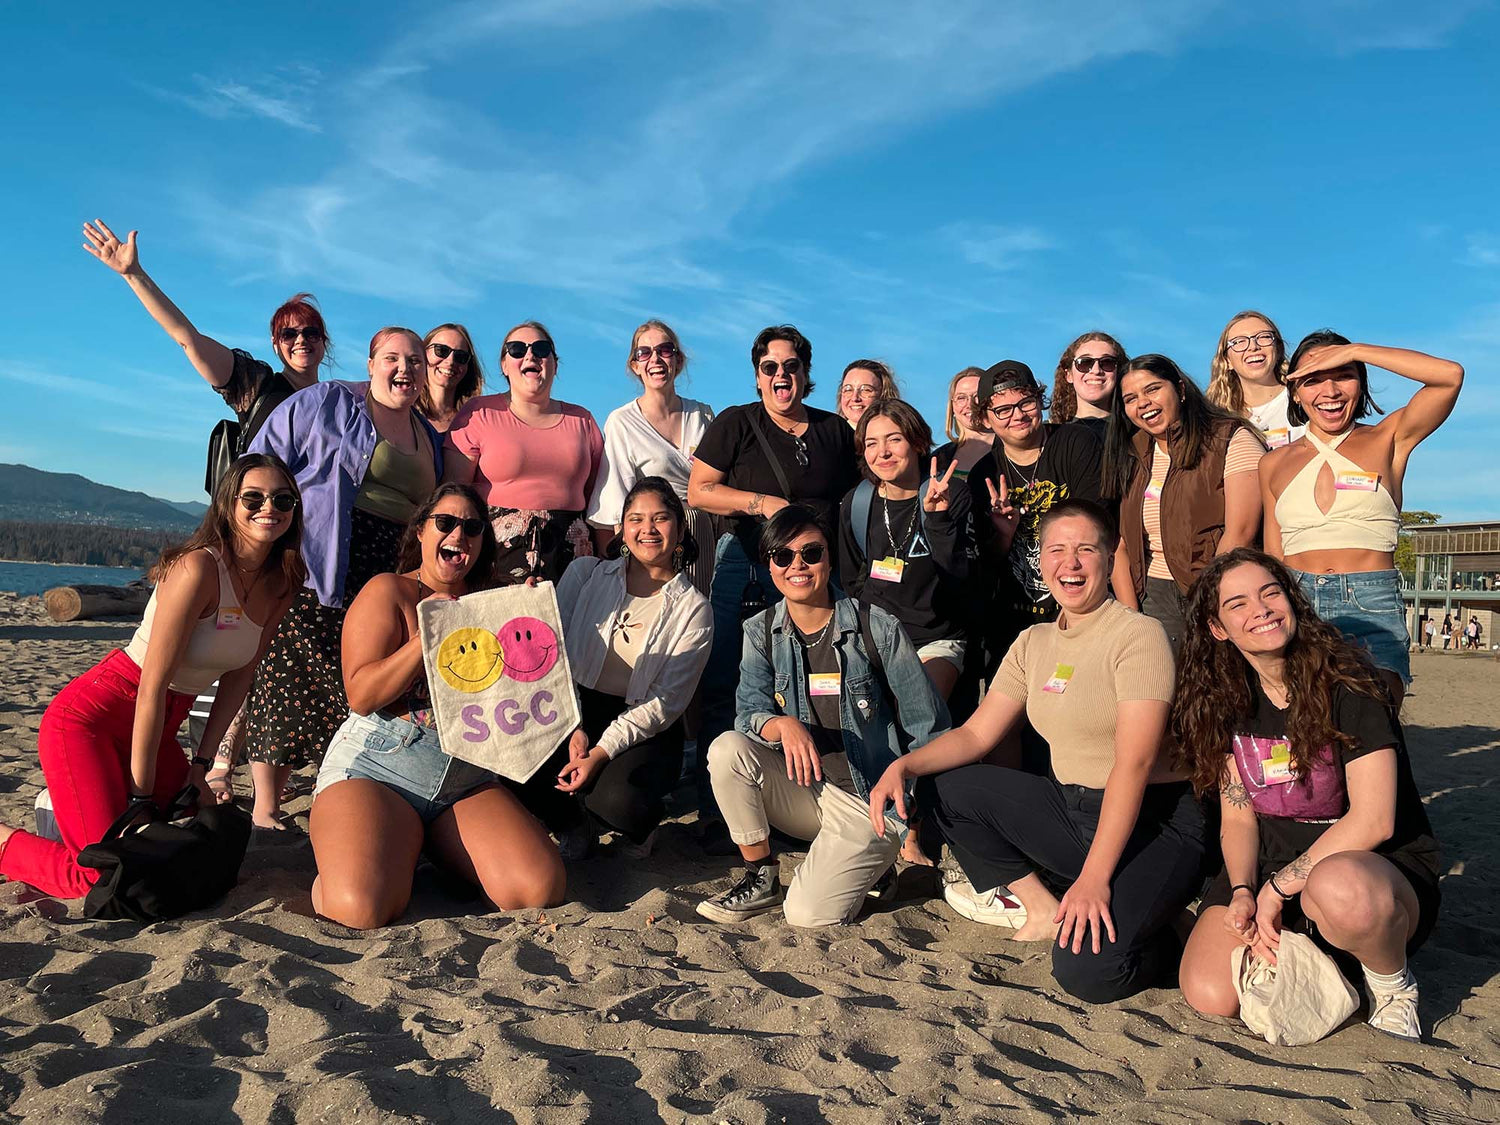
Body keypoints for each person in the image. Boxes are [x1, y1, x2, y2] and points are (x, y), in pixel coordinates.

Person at [868, 499, 1205, 1003]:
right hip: (1073, 808)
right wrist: (904, 765)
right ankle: (1042, 907)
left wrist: (1094, 880)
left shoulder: (1139, 635)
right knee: (947, 785)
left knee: (1087, 974)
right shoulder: (1034, 641)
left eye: (1085, 550)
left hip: (1153, 821)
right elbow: (977, 736)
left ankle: (1176, 929)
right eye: (1056, 550)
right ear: (1040, 558)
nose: (1070, 564)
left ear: (1110, 557)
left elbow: (1133, 766)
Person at [0, 456, 303, 897]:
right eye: (253, 498)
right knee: (101, 875)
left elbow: (242, 675)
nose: (268, 508)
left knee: (181, 839)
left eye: (283, 499)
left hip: (158, 729)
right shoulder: (199, 568)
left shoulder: (282, 580)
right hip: (93, 718)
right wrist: (141, 798)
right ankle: (7, 843)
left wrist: (201, 765)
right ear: (228, 505)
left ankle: (69, 806)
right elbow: (152, 687)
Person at [1175, 549, 1441, 1040]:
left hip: (1369, 868)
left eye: (1270, 592)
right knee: (1211, 993)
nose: (1261, 609)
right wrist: (1242, 891)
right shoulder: (1226, 700)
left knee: (1340, 891)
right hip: (1274, 864)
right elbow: (1238, 818)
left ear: (1291, 599)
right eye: (1238, 604)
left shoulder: (1349, 682)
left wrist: (1276, 891)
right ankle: (1326, 958)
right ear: (1217, 628)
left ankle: (1392, 983)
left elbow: (1375, 821)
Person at [310, 483, 565, 929]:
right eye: (445, 523)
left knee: (537, 889)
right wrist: (427, 635)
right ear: (422, 532)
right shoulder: (389, 590)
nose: (458, 535)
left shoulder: (490, 602)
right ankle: (362, 856)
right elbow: (362, 695)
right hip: (381, 767)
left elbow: (521, 694)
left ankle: (422, 849)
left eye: (472, 527)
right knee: (358, 908)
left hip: (464, 778)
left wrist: (524, 619)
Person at [695, 506, 949, 926]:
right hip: (808, 792)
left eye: (810, 553)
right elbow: (747, 713)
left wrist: (910, 820)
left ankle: (874, 860)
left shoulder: (877, 627)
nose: (797, 565)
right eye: (782, 556)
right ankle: (762, 875)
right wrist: (782, 724)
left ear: (829, 559)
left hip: (870, 801)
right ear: (769, 566)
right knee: (726, 750)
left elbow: (930, 728)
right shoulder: (760, 630)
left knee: (807, 915)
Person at [246, 327, 444, 828]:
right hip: (327, 553)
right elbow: (265, 457)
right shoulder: (330, 402)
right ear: (372, 362)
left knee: (358, 674)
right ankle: (267, 806)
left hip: (390, 563)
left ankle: (335, 785)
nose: (405, 369)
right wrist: (264, 530)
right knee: (291, 669)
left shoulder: (427, 435)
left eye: (416, 361)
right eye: (393, 358)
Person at [687, 326, 860, 824]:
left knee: (820, 682)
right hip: (748, 563)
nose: (781, 375)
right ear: (758, 376)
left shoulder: (832, 431)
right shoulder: (737, 423)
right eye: (770, 367)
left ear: (805, 375)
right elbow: (700, 490)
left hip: (817, 571)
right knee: (729, 680)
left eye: (791, 367)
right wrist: (763, 503)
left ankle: (809, 803)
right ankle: (717, 813)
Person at [1262, 332, 1463, 704]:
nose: (1331, 390)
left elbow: (1449, 375)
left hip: (1371, 601)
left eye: (1343, 374)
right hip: (1296, 602)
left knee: (1374, 724)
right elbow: (1273, 556)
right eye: (1313, 378)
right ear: (1294, 391)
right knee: (1307, 731)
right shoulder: (1272, 462)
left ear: (1361, 381)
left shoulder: (1390, 438)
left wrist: (1355, 350)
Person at [529, 477, 714, 857]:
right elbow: (551, 654)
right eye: (636, 518)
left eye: (660, 519)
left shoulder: (694, 609)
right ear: (622, 528)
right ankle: (572, 823)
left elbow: (665, 703)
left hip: (643, 723)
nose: (647, 529)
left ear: (680, 529)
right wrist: (575, 726)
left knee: (617, 801)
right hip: (573, 706)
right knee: (522, 770)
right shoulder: (585, 574)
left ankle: (641, 820)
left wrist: (599, 753)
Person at [81, 219, 332, 485]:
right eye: (289, 334)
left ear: (323, 341)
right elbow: (188, 339)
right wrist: (134, 275)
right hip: (257, 520)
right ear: (275, 344)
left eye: (311, 332)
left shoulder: (338, 405)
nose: (301, 340)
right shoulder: (257, 384)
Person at [1104, 355, 1267, 649]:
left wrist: (1211, 600)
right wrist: (1131, 616)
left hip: (1217, 591)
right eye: (1130, 398)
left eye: (1152, 389)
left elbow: (1240, 532)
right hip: (1152, 597)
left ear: (1179, 389)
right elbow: (1122, 542)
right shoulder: (1132, 453)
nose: (1142, 403)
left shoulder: (1228, 438)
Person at [965, 360, 1109, 674]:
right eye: (1002, 409)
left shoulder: (1075, 443)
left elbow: (1096, 524)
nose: (1017, 415)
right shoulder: (983, 475)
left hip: (1081, 607)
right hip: (1015, 623)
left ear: (1039, 401)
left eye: (1026, 402)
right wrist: (1003, 534)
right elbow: (982, 564)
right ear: (986, 419)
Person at [445, 321, 604, 584]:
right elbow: (454, 493)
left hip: (572, 558)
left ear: (554, 363)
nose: (530, 355)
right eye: (517, 350)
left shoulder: (583, 420)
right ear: (504, 366)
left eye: (541, 349)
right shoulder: (478, 413)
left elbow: (597, 498)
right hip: (494, 556)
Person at [838, 399, 972, 701]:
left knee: (920, 709)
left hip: (936, 640)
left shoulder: (952, 495)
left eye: (894, 439)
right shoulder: (856, 503)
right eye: (871, 443)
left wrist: (938, 520)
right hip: (873, 643)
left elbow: (962, 579)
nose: (882, 453)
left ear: (918, 442)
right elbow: (850, 581)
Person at [586, 320, 717, 595]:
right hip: (652, 541)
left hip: (702, 538)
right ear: (635, 365)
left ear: (678, 360)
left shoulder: (703, 415)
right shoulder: (622, 422)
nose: (654, 359)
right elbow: (613, 504)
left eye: (664, 350)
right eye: (644, 353)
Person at [1206, 311, 1302, 450]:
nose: (1253, 347)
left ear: (1278, 349)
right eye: (1239, 342)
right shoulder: (1215, 419)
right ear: (1227, 361)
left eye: (1264, 337)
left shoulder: (1302, 400)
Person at [1049, 332, 1128, 437]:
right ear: (1069, 375)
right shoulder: (1049, 435)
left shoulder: (1138, 434)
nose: (1096, 370)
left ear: (1119, 372)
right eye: (1085, 362)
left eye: (1107, 362)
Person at [931, 366, 994, 482]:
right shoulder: (938, 458)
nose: (970, 404)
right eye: (961, 398)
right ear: (952, 407)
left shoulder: (1011, 448)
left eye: (977, 396)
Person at [419, 323, 485, 433]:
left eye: (461, 356)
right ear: (423, 353)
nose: (450, 361)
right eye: (441, 350)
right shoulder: (404, 414)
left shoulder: (477, 422)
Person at [836, 360, 899, 430]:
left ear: (883, 394)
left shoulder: (901, 434)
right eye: (848, 390)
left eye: (866, 390)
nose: (855, 398)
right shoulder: (829, 437)